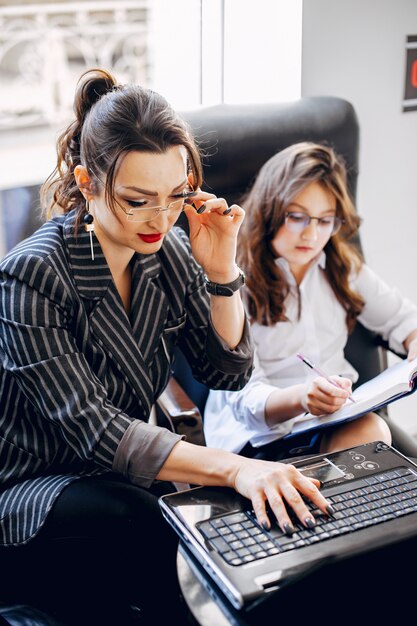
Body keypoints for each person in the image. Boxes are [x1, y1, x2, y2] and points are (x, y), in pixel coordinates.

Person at [0, 72, 333, 626]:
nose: (160, 219)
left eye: (175, 196)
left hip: (124, 475)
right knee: (142, 520)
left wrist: (223, 270)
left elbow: (226, 372)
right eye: (137, 201)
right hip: (32, 485)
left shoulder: (170, 252)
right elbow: (93, 429)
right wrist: (234, 469)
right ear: (87, 183)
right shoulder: (29, 277)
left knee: (227, 535)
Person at [204, 142, 417, 460]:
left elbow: (403, 319)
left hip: (334, 418)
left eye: (325, 220)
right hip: (260, 435)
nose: (312, 235)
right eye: (297, 217)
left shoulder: (341, 268)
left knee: (371, 434)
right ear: (269, 211)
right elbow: (245, 401)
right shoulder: (232, 280)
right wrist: (303, 398)